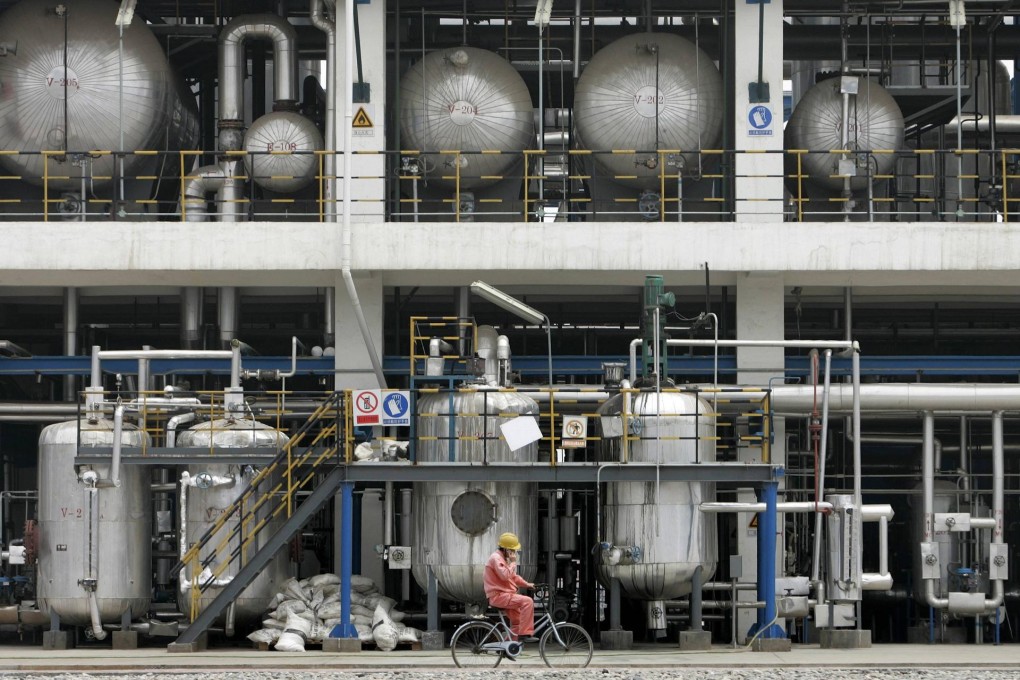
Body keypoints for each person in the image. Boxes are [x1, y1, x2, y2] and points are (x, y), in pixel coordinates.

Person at [483, 532, 538, 642]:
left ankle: (508, 647)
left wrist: (527, 585)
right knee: (528, 601)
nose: (514, 553)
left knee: (518, 622)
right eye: (513, 550)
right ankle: (525, 633)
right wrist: (513, 563)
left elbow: (513, 577)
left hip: (504, 596)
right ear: (507, 550)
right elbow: (505, 576)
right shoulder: (496, 558)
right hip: (499, 596)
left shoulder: (502, 559)